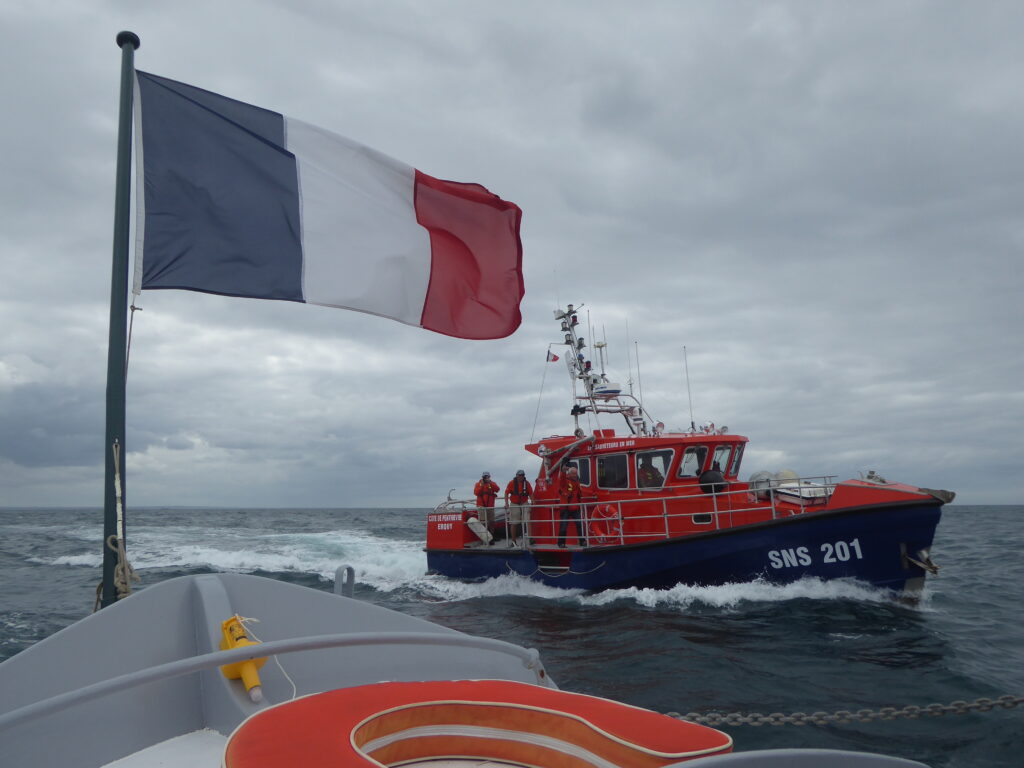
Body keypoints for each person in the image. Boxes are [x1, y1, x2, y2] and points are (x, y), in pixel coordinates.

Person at [557, 465, 586, 548]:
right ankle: (561, 543)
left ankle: (582, 541)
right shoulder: (564, 481)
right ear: (569, 474)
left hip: (575, 508)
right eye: (573, 473)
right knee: (563, 526)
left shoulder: (577, 482)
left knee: (580, 524)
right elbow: (562, 478)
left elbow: (579, 495)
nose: (575, 475)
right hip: (566, 508)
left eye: (576, 473)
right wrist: (563, 471)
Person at [504, 469, 533, 545]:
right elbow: (506, 493)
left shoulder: (527, 483)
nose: (521, 476)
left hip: (524, 503)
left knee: (528, 521)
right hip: (514, 504)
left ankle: (530, 539)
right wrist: (506, 503)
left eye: (522, 475)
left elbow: (531, 494)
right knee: (514, 523)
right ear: (516, 476)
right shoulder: (511, 483)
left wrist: (533, 502)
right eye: (520, 475)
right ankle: (513, 541)